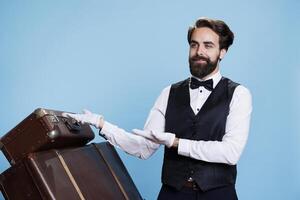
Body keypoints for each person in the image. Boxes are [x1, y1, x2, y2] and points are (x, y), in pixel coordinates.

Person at [63, 17, 252, 200]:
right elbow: (143, 148)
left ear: (222, 52)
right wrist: (102, 124)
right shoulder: (168, 93)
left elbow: (230, 152)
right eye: (194, 45)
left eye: (208, 45)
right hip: (173, 194)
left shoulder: (238, 94)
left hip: (219, 194)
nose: (199, 51)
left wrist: (176, 142)